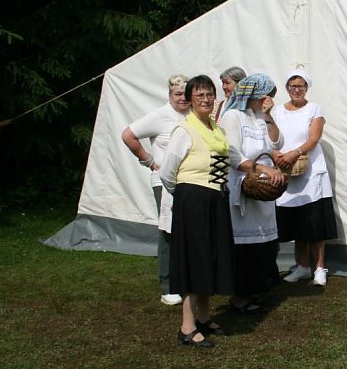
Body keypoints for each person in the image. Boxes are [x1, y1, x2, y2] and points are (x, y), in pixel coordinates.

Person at [159, 75, 234, 347]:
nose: (206, 100)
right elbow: (168, 173)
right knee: (194, 260)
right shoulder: (184, 130)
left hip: (215, 199)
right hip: (192, 200)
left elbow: (228, 161)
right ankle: (186, 327)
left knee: (211, 257)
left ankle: (203, 317)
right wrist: (188, 196)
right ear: (190, 100)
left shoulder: (217, 130)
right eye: (199, 95)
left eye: (209, 95)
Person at [121, 73, 190, 306]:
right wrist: (149, 161)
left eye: (185, 93)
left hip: (189, 181)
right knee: (168, 230)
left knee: (186, 230)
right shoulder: (161, 116)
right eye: (177, 94)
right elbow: (128, 135)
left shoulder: (193, 116)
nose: (182, 98)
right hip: (164, 182)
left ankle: (185, 279)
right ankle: (168, 285)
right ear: (170, 94)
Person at [220, 73, 286, 313]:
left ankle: (256, 290)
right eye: (265, 97)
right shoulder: (232, 116)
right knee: (244, 246)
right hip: (243, 188)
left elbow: (277, 144)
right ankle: (239, 296)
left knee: (263, 243)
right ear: (252, 95)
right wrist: (262, 168)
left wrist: (268, 116)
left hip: (262, 192)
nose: (267, 100)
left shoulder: (261, 117)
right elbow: (232, 154)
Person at [274, 69, 338, 286]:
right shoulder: (278, 112)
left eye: (300, 85)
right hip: (287, 172)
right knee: (296, 221)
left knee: (314, 222)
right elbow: (271, 138)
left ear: (306, 88)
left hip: (310, 173)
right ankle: (302, 266)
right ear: (287, 89)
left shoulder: (314, 109)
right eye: (292, 86)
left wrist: (294, 153)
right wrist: (278, 156)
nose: (296, 89)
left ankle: (320, 267)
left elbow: (314, 138)